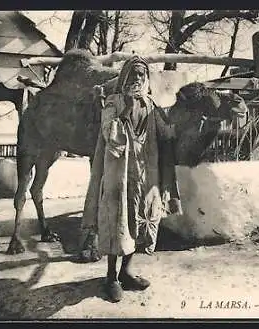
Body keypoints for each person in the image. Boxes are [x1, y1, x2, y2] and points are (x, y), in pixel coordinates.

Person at [82, 56, 183, 303]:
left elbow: (165, 134)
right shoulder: (113, 102)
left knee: (139, 220)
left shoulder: (151, 104)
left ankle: (126, 272)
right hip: (120, 173)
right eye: (134, 74)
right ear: (125, 76)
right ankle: (111, 277)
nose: (138, 79)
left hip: (147, 173)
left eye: (142, 74)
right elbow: (110, 133)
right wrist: (126, 107)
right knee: (119, 220)